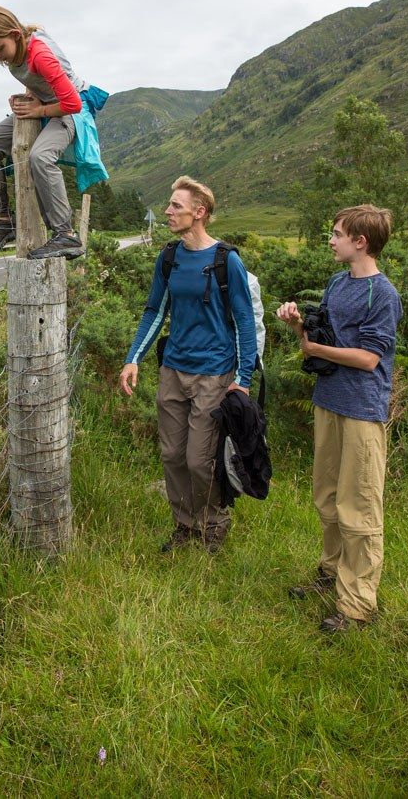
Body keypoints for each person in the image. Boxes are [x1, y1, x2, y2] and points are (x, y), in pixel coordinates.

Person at [276, 204, 402, 633]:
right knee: (327, 497)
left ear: (360, 241)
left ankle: (357, 605)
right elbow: (322, 340)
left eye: (336, 234)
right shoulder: (336, 283)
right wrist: (298, 328)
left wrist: (315, 350)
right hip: (328, 401)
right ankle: (331, 573)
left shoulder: (382, 294)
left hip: (362, 411)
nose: (330, 240)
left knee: (360, 507)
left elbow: (369, 358)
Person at [119, 176, 257, 553]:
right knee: (171, 454)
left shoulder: (227, 261)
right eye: (169, 204)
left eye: (175, 206)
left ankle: (213, 524)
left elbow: (244, 321)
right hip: (173, 370)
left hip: (214, 372)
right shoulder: (169, 257)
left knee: (199, 459)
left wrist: (243, 379)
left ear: (200, 213)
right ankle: (184, 527)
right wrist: (134, 359)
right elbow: (155, 311)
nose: (167, 211)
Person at [0, 5, 108, 258]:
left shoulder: (40, 55)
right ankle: (2, 221)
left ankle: (65, 235)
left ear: (15, 35)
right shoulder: (19, 49)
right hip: (45, 104)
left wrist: (38, 112)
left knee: (40, 157)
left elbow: (73, 104)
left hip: (69, 110)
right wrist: (29, 96)